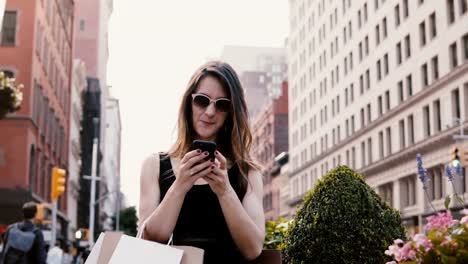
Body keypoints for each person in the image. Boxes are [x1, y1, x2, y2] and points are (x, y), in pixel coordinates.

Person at [139, 61, 265, 263]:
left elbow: (253, 248)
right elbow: (150, 239)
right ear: (188, 102)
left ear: (231, 113)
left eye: (222, 104)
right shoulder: (155, 165)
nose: (210, 112)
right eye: (202, 100)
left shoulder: (247, 172)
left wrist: (225, 191)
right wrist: (180, 186)